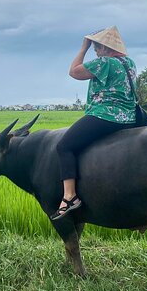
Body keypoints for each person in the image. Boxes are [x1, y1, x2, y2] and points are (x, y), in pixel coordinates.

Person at [52, 26, 138, 220]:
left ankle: (69, 196)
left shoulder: (105, 62)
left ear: (106, 48)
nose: (96, 52)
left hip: (105, 114)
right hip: (129, 117)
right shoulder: (129, 63)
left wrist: (83, 48)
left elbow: (74, 72)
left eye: (97, 48)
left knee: (64, 146)